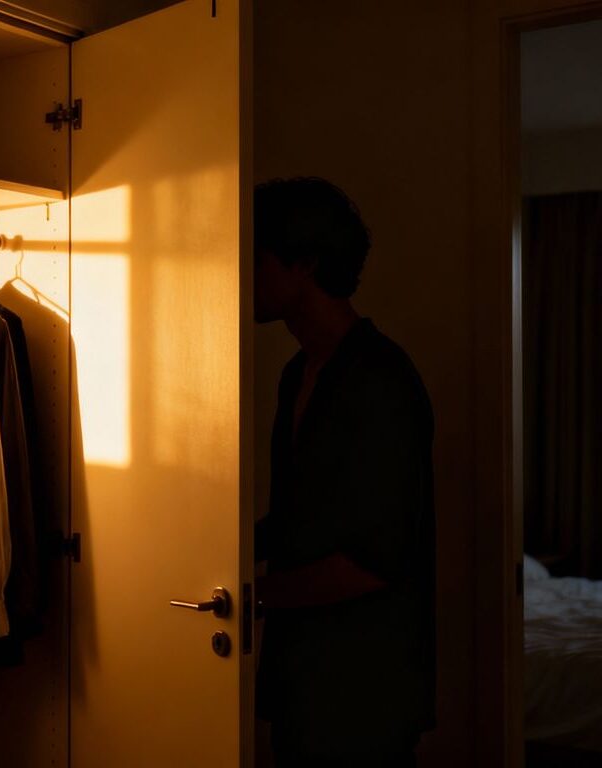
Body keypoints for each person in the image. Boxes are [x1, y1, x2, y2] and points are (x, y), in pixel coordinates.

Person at [253, 179, 436, 767]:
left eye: (253, 256)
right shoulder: (298, 373)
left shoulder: (380, 379)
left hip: (364, 685)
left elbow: (375, 558)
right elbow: (301, 519)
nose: (237, 271)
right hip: (303, 677)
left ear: (304, 263)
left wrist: (253, 597)